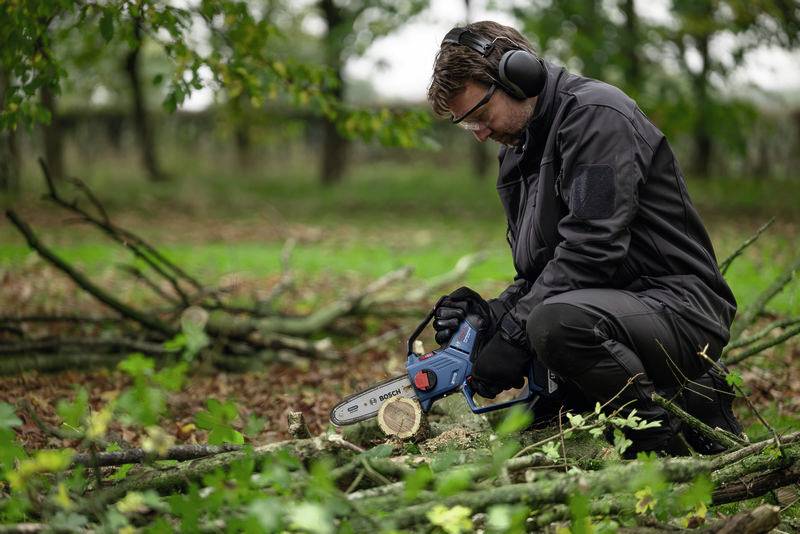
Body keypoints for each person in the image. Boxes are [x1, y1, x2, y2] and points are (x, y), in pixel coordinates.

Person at [426, 21, 743, 456]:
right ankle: (619, 406)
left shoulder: (597, 117)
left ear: (518, 77)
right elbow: (543, 272)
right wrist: (491, 318)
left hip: (679, 308)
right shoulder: (518, 150)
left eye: (480, 115)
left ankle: (657, 443)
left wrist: (515, 337)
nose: (479, 132)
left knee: (553, 324)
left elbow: (593, 248)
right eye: (467, 125)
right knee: (540, 320)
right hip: (608, 305)